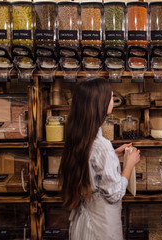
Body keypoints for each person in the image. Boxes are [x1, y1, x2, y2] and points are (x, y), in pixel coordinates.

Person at [59, 78, 140, 240]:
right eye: (109, 96)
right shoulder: (102, 145)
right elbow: (115, 193)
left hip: (83, 225)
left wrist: (113, 155)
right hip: (99, 229)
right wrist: (129, 165)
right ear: (98, 103)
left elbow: (90, 164)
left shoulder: (79, 136)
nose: (112, 96)